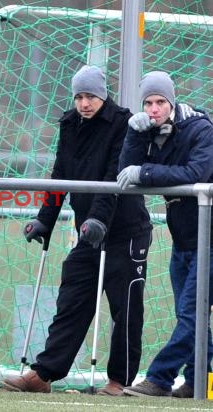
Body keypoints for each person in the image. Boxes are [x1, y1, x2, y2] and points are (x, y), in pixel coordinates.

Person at [1, 65, 152, 396]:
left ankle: (119, 380)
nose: (84, 103)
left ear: (103, 95)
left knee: (125, 306)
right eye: (80, 97)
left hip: (125, 230)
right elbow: (60, 174)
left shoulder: (121, 124)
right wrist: (46, 219)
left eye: (91, 97)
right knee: (72, 297)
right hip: (88, 231)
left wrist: (99, 219)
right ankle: (44, 373)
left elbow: (113, 176)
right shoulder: (69, 124)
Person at [118, 71, 213, 398]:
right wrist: (133, 136)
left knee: (191, 313)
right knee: (192, 314)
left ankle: (159, 378)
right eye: (148, 103)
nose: (154, 108)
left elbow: (194, 173)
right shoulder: (148, 130)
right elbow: (125, 173)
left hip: (209, 236)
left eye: (160, 102)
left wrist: (145, 171)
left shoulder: (200, 129)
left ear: (171, 102)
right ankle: (203, 379)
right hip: (184, 238)